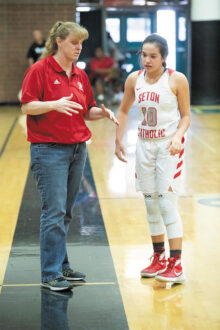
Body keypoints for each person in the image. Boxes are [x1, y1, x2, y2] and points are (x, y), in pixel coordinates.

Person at [21, 21, 119, 292]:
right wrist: (53, 103)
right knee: (53, 212)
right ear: (59, 42)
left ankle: (61, 266)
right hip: (48, 150)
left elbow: (87, 110)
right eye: (75, 42)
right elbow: (27, 106)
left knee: (64, 213)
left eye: (81, 43)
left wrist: (103, 112)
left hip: (78, 149)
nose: (79, 47)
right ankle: (50, 273)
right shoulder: (39, 70)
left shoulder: (80, 74)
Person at [115, 34, 190, 283]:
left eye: (152, 56)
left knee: (167, 203)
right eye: (143, 55)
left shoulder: (177, 80)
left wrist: (179, 135)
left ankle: (176, 264)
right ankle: (158, 258)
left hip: (168, 148)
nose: (146, 60)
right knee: (151, 205)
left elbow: (186, 116)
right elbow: (124, 110)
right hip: (144, 147)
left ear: (164, 57)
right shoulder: (134, 79)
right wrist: (118, 139)